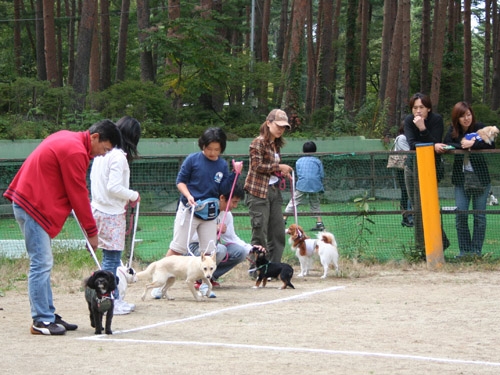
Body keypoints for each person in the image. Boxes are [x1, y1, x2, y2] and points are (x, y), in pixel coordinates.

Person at [3, 120, 122, 335]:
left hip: (31, 202)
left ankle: (48, 314)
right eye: (104, 149)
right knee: (41, 262)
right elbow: (77, 193)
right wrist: (92, 233)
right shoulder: (75, 151)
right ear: (95, 137)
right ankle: (41, 320)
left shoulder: (70, 139)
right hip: (32, 205)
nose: (103, 155)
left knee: (44, 262)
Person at [90, 116, 141, 315]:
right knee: (111, 260)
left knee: (107, 259)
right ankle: (110, 300)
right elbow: (114, 187)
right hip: (111, 213)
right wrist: (133, 195)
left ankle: (105, 298)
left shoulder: (101, 155)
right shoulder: (119, 157)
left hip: (97, 209)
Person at [165, 127, 242, 258]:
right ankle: (160, 275)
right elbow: (180, 181)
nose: (212, 152)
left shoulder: (222, 165)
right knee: (177, 249)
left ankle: (203, 279)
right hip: (190, 209)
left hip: (210, 214)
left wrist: (235, 173)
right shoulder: (192, 159)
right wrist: (188, 196)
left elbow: (223, 189)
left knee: (209, 252)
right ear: (203, 145)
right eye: (209, 148)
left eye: (216, 149)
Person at [443, 102, 495, 258]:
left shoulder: (480, 127)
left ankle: (476, 252)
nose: (466, 118)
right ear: (456, 118)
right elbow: (447, 144)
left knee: (479, 215)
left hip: (481, 178)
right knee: (461, 214)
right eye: (462, 116)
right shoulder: (453, 130)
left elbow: (492, 143)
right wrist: (462, 144)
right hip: (461, 180)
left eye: (468, 115)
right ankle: (464, 252)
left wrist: (474, 143)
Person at [189, 184, 265, 289]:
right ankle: (199, 278)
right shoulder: (204, 209)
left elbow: (232, 238)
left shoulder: (227, 215)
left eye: (237, 202)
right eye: (234, 202)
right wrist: (213, 228)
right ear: (222, 198)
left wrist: (251, 248)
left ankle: (210, 277)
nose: (235, 206)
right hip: (194, 248)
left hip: (212, 247)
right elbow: (190, 237)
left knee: (240, 251)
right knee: (220, 249)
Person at [244, 109, 293, 263]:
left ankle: (274, 267)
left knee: (278, 232)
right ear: (268, 123)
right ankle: (257, 269)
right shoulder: (257, 142)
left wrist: (281, 173)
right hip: (257, 192)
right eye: (278, 125)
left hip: (274, 191)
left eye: (284, 127)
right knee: (259, 232)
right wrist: (279, 167)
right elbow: (257, 166)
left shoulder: (275, 144)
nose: (281, 129)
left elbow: (271, 168)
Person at [403, 92, 449, 254]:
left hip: (431, 168)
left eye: (421, 107)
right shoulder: (409, 121)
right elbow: (412, 144)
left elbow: (436, 140)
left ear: (428, 108)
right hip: (412, 167)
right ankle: (421, 248)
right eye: (415, 108)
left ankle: (438, 244)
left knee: (429, 206)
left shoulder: (436, 120)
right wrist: (430, 143)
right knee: (417, 208)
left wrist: (422, 128)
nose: (418, 111)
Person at [283, 141, 325, 231]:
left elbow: (299, 173)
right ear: (314, 150)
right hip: (315, 185)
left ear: (303, 150)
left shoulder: (299, 161)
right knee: (315, 203)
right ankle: (319, 223)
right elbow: (321, 174)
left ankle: (284, 220)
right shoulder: (318, 161)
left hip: (302, 185)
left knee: (294, 202)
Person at [393, 123, 413, 227]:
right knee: (405, 192)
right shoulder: (402, 138)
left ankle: (409, 216)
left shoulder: (407, 138)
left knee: (407, 192)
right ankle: (406, 217)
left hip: (406, 167)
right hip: (403, 168)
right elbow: (409, 151)